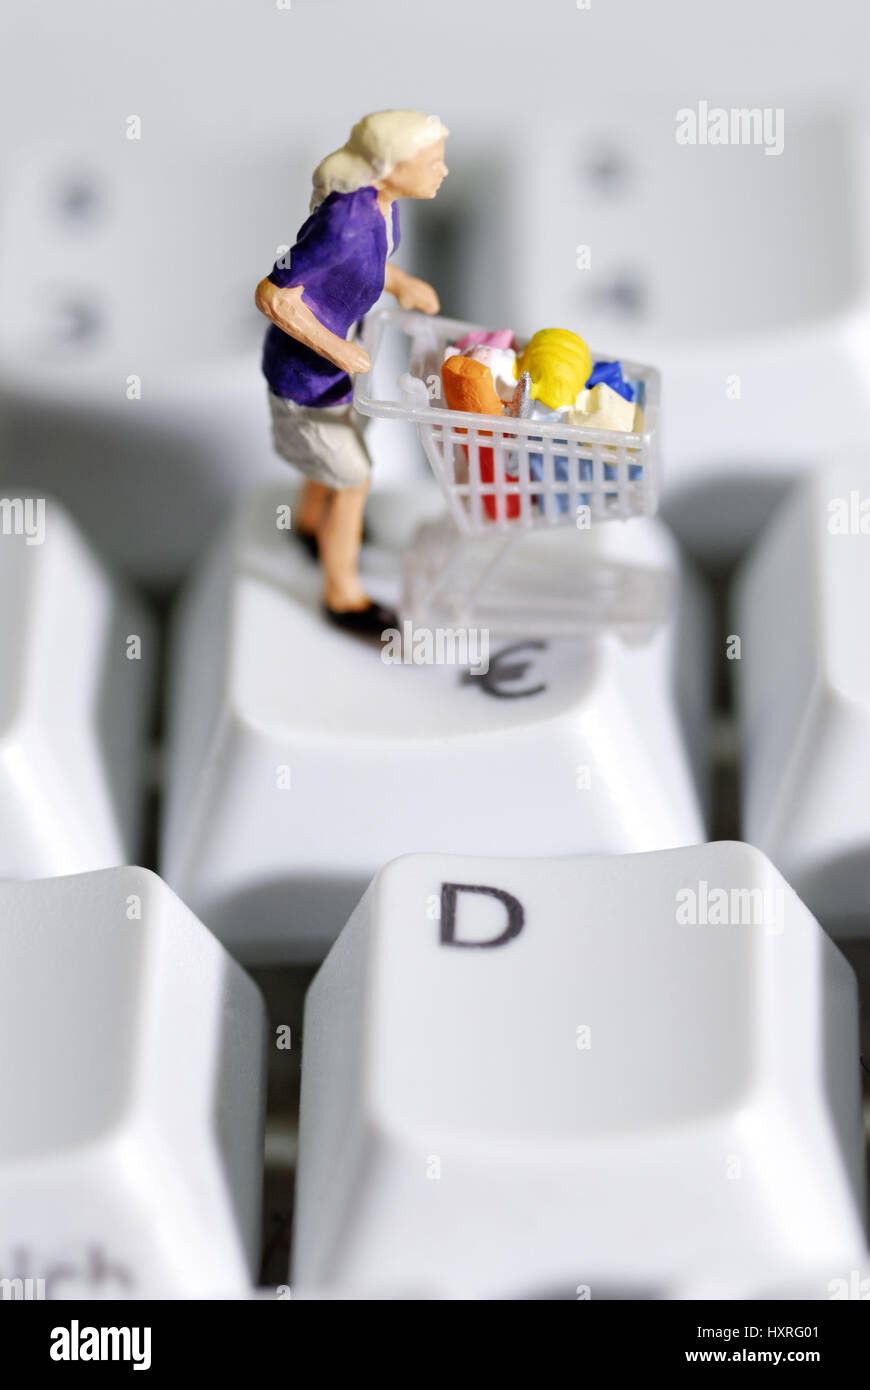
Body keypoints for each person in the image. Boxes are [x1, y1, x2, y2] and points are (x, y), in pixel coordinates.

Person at [255, 110, 448, 633]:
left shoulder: (383, 209)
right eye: (432, 162)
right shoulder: (342, 221)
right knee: (356, 478)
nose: (443, 171)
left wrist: (401, 282)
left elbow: (365, 264)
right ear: (389, 168)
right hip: (306, 377)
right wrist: (336, 350)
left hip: (342, 364)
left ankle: (311, 524)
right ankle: (341, 595)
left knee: (353, 438)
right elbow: (274, 296)